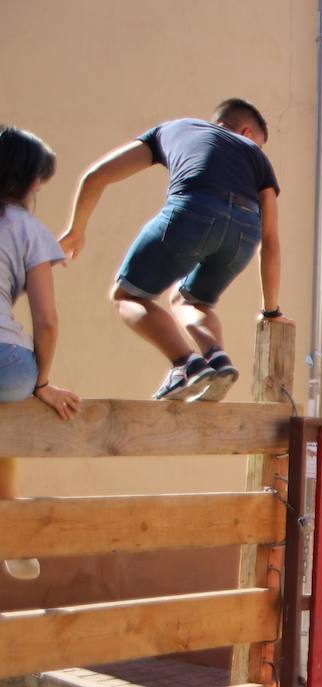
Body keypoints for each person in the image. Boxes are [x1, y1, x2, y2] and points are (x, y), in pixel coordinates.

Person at [60, 99, 284, 401]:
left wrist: (76, 230)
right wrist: (271, 310)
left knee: (127, 295)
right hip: (245, 232)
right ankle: (216, 362)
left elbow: (96, 176)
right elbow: (270, 239)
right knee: (193, 301)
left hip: (193, 210)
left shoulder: (174, 129)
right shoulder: (254, 155)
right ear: (246, 132)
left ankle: (186, 364)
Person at [0, 126, 82, 581]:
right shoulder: (28, 229)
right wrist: (43, 383)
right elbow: (46, 320)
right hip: (6, 364)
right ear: (28, 181)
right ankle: (11, 536)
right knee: (6, 422)